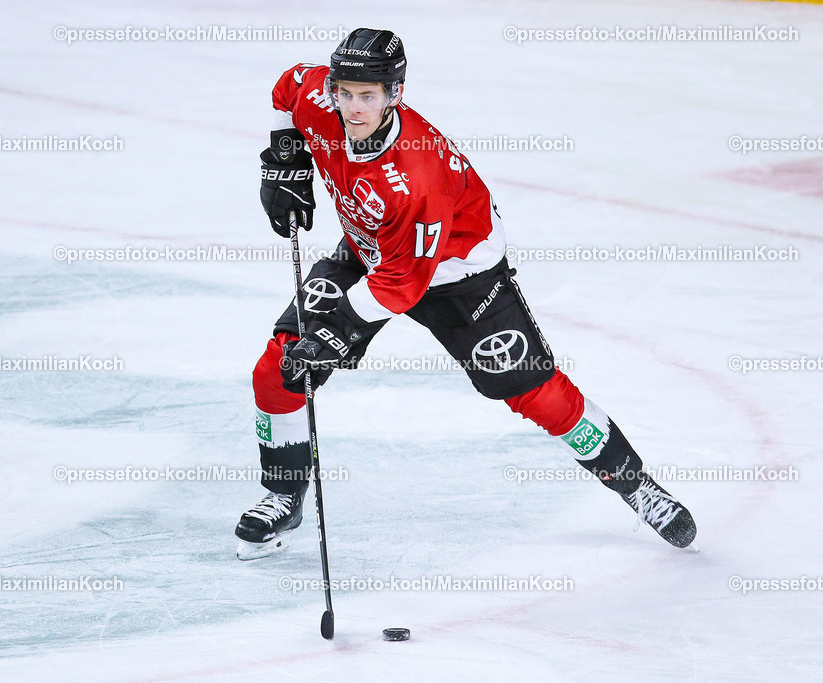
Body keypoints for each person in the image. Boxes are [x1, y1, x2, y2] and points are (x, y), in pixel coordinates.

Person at [235, 28, 696, 560]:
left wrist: (336, 331)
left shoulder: (417, 176)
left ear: (394, 94)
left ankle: (636, 485)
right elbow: (288, 86)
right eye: (345, 92)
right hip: (373, 247)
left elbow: (400, 284)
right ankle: (284, 495)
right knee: (279, 367)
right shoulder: (320, 97)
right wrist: (285, 158)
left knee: (536, 393)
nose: (354, 107)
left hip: (459, 273)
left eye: (368, 95)